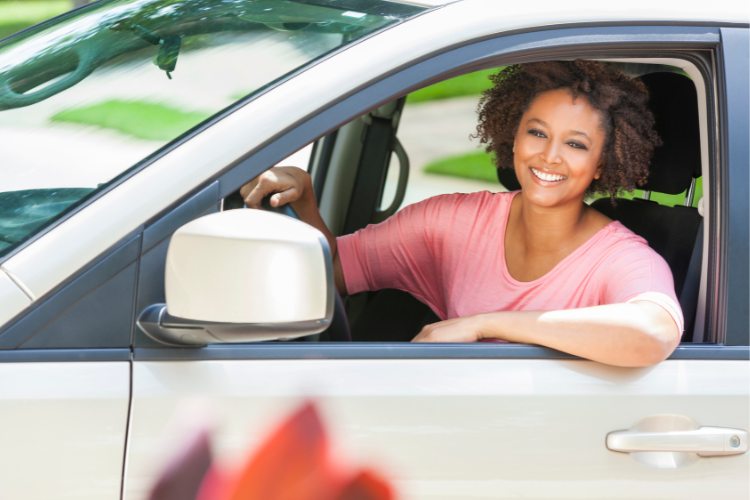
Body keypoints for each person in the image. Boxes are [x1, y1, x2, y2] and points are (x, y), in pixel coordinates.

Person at [240, 61, 683, 367]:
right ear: (513, 139)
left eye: (575, 144)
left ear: (603, 163)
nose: (549, 157)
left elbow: (654, 333)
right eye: (537, 133)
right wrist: (307, 200)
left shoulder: (622, 258)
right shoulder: (452, 224)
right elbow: (334, 270)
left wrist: (483, 324)